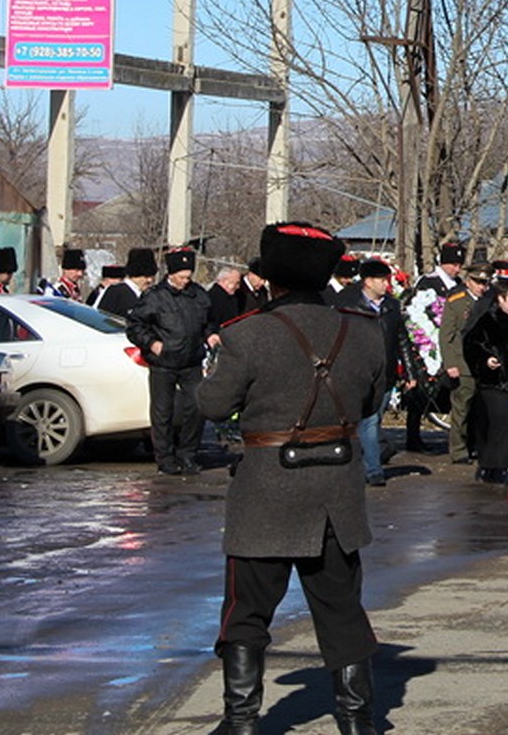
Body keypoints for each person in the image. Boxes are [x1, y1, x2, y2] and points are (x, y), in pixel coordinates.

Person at [198, 221, 389, 735]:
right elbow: (372, 403)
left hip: (265, 491)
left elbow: (212, 403)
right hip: (337, 491)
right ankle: (358, 721)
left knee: (246, 613)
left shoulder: (246, 334)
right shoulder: (364, 331)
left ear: (272, 277)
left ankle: (240, 723)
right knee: (342, 610)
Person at [127, 246, 213, 475]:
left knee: (196, 406)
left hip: (192, 360)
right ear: (171, 274)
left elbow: (208, 321)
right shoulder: (155, 297)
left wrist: (211, 335)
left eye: (188, 276)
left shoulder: (198, 294)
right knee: (162, 412)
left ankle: (188, 454)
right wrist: (152, 343)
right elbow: (135, 326)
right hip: (163, 362)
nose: (186, 280)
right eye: (182, 276)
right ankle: (165, 458)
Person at [344, 259, 410, 482]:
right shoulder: (351, 306)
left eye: (388, 280)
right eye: (382, 280)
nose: (386, 285)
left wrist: (410, 372)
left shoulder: (391, 306)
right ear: (368, 281)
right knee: (368, 421)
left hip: (387, 372)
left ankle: (361, 464)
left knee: (372, 420)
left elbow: (402, 340)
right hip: (360, 373)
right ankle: (373, 470)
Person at [462, 278, 508, 484]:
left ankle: (505, 464)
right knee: (500, 423)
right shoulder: (488, 320)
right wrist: (485, 359)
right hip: (494, 383)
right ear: (500, 299)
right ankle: (495, 465)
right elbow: (472, 344)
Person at [437, 263, 492, 464]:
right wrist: (450, 363)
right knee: (462, 408)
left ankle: (476, 445)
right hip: (463, 363)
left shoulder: (490, 300)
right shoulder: (457, 301)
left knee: (481, 409)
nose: (481, 286)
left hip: (483, 365)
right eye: (478, 282)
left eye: (485, 282)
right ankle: (459, 450)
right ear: (468, 281)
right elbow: (447, 335)